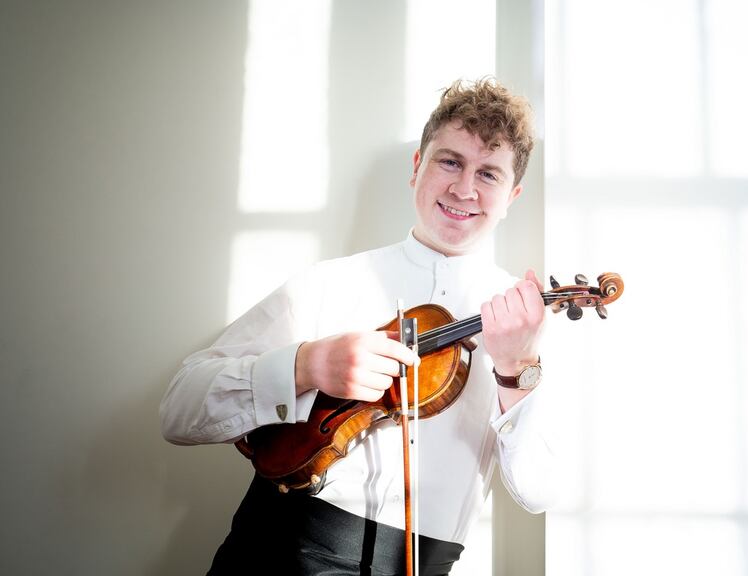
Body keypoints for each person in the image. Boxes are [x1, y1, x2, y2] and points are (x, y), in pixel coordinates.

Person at [160, 78, 558, 575]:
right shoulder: (326, 283)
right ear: (417, 167)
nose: (464, 188)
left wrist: (515, 369)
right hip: (274, 549)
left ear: (512, 195)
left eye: (489, 174)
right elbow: (178, 410)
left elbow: (539, 491)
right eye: (450, 161)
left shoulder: (524, 323)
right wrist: (305, 365)